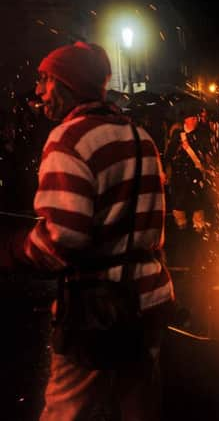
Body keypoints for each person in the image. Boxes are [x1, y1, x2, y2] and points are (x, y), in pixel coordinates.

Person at [0, 42, 174, 420]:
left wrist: (13, 248)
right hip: (150, 298)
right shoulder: (139, 136)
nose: (39, 92)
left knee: (67, 411)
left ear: (67, 85)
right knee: (138, 408)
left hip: (98, 307)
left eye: (45, 81)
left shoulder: (69, 139)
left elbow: (65, 237)